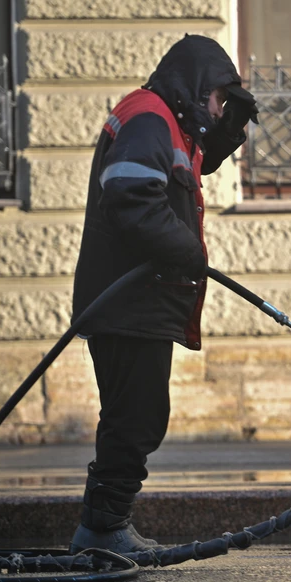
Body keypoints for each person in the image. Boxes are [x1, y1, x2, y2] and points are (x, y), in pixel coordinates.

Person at [68, 35, 258, 554]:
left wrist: (229, 126)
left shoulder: (163, 121)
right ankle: (102, 530)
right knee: (135, 419)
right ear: (196, 87)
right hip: (128, 303)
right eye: (219, 99)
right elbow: (130, 194)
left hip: (134, 303)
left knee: (137, 416)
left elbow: (194, 162)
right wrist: (186, 250)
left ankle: (105, 525)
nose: (218, 110)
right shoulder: (149, 118)